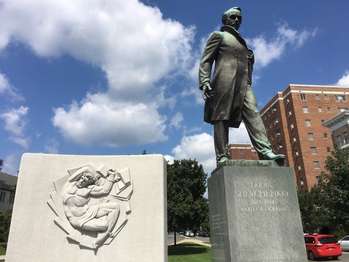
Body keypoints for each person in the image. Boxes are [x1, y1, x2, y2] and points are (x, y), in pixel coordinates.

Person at [199, 7, 285, 165]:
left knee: (253, 112)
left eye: (239, 18)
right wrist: (204, 80)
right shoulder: (219, 36)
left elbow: (245, 66)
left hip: (243, 84)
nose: (237, 20)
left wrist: (250, 59)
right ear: (225, 19)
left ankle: (265, 151)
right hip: (223, 82)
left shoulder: (241, 42)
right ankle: (222, 156)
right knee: (221, 117)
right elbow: (206, 60)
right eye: (233, 17)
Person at [62, 169, 120, 248]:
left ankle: (104, 236)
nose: (82, 181)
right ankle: (104, 226)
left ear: (89, 183)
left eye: (86, 181)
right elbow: (86, 168)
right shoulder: (70, 184)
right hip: (78, 220)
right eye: (82, 178)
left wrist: (111, 176)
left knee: (115, 206)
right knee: (104, 225)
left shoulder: (88, 189)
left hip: (89, 211)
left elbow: (104, 190)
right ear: (80, 177)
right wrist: (94, 173)